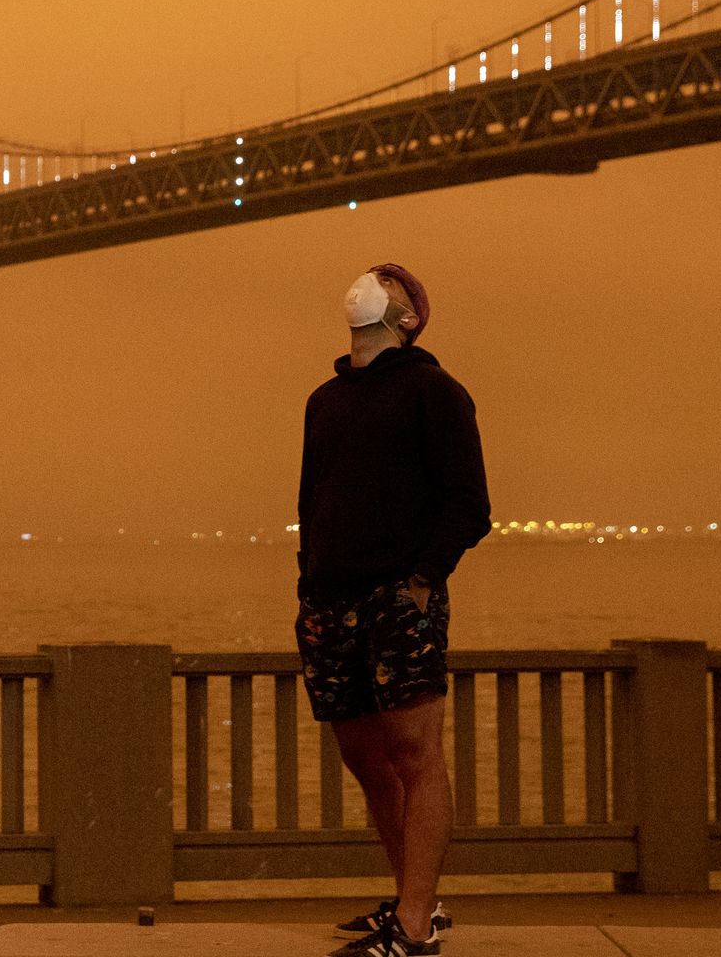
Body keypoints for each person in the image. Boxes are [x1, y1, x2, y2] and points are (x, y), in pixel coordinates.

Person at [296, 264, 491, 957]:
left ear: (409, 318)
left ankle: (413, 925)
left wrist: (419, 581)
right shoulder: (325, 400)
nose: (371, 278)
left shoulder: (435, 391)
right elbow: (311, 503)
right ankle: (416, 897)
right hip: (329, 602)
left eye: (391, 280)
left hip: (395, 600)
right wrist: (308, 588)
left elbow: (470, 505)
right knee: (364, 759)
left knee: (415, 755)